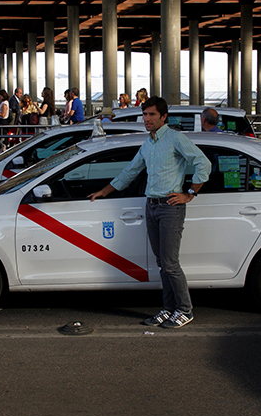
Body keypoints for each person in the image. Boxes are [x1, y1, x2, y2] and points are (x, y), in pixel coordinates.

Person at [88, 96, 211, 329]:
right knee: (162, 262)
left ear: (163, 117)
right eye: (144, 115)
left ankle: (185, 310)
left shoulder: (175, 139)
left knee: (170, 263)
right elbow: (130, 171)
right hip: (152, 205)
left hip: (170, 207)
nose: (147, 119)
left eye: (152, 115)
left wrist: (190, 193)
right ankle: (168, 308)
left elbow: (203, 163)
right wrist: (104, 191)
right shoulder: (149, 144)